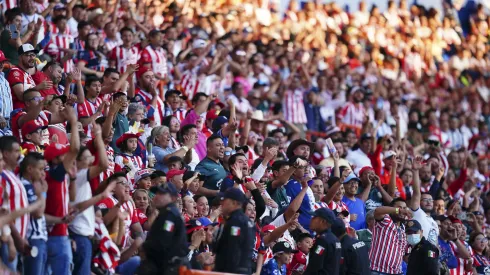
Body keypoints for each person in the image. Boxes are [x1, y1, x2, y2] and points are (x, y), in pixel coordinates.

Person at [139, 183, 189, 275]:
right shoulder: (165, 213)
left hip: (170, 267)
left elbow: (163, 241)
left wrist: (145, 247)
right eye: (157, 193)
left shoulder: (170, 215)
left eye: (162, 194)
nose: (157, 196)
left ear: (173, 198)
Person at [214, 188, 255, 274]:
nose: (222, 203)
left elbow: (233, 248)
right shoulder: (247, 221)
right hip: (244, 269)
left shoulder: (235, 221)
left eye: (224, 200)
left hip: (233, 271)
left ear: (234, 203)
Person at [370, 198, 413, 275]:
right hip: (378, 271)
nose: (402, 210)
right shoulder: (385, 220)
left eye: (404, 208)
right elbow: (378, 211)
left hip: (396, 272)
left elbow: (404, 255)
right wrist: (398, 210)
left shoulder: (403, 228)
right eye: (399, 207)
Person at [304, 208, 341, 275]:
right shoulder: (335, 239)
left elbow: (314, 266)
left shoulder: (322, 241)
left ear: (323, 221)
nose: (311, 219)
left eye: (314, 217)